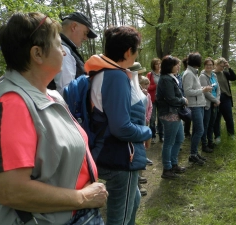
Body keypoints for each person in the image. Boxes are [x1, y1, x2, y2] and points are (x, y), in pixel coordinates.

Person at [0, 12, 107, 224]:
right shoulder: (12, 104)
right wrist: (82, 198)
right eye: (57, 44)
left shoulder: (49, 94)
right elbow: (11, 190)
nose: (63, 52)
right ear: (37, 54)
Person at [84, 26, 152, 225]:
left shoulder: (101, 72)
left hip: (109, 152)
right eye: (136, 49)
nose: (137, 54)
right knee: (119, 218)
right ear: (128, 52)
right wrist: (147, 131)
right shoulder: (116, 77)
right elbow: (121, 127)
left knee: (135, 199)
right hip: (120, 158)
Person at [48, 12, 97, 94]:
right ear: (74, 27)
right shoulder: (64, 50)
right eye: (85, 33)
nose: (85, 38)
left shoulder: (62, 47)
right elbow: (66, 92)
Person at [156, 55, 188, 179]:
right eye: (176, 65)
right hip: (169, 114)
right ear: (170, 66)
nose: (178, 67)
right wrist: (183, 100)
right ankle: (167, 168)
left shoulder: (171, 78)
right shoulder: (166, 79)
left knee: (180, 138)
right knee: (169, 142)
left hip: (175, 113)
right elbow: (171, 99)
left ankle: (174, 164)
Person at [183, 52, 212, 165]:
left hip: (199, 104)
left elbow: (195, 88)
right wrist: (203, 90)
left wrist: (203, 88)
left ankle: (194, 153)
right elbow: (188, 91)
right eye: (200, 60)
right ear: (196, 61)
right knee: (200, 130)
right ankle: (193, 154)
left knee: (196, 130)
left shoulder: (194, 72)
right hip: (194, 106)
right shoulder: (189, 74)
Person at [129, 62, 152, 196]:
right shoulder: (129, 88)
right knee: (135, 155)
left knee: (140, 153)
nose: (140, 76)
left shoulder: (137, 88)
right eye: (138, 74)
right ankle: (136, 184)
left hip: (142, 126)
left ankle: (138, 178)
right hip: (135, 129)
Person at [213, 57, 236, 143]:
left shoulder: (225, 73)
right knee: (216, 119)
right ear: (216, 65)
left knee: (229, 118)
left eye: (223, 66)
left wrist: (229, 67)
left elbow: (234, 78)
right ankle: (217, 136)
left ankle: (231, 135)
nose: (222, 68)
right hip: (216, 98)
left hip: (226, 97)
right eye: (221, 66)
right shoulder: (211, 74)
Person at [199, 57, 221, 153]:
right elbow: (205, 92)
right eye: (207, 65)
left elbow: (218, 89)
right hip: (207, 104)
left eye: (211, 65)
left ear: (213, 66)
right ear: (204, 66)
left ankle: (210, 142)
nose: (209, 66)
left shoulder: (214, 75)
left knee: (212, 123)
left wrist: (217, 99)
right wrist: (215, 100)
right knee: (205, 124)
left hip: (215, 103)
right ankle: (204, 144)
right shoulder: (202, 77)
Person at [147, 58, 164, 143]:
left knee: (161, 118)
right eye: (156, 64)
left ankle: (161, 135)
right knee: (152, 118)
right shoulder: (150, 75)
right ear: (153, 65)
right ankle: (153, 136)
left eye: (159, 63)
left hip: (161, 99)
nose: (158, 65)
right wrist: (156, 86)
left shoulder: (163, 74)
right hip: (152, 99)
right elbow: (147, 87)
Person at [179, 57, 192, 138]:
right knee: (186, 113)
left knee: (188, 113)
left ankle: (186, 131)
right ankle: (186, 131)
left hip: (188, 95)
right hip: (185, 95)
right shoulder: (184, 73)